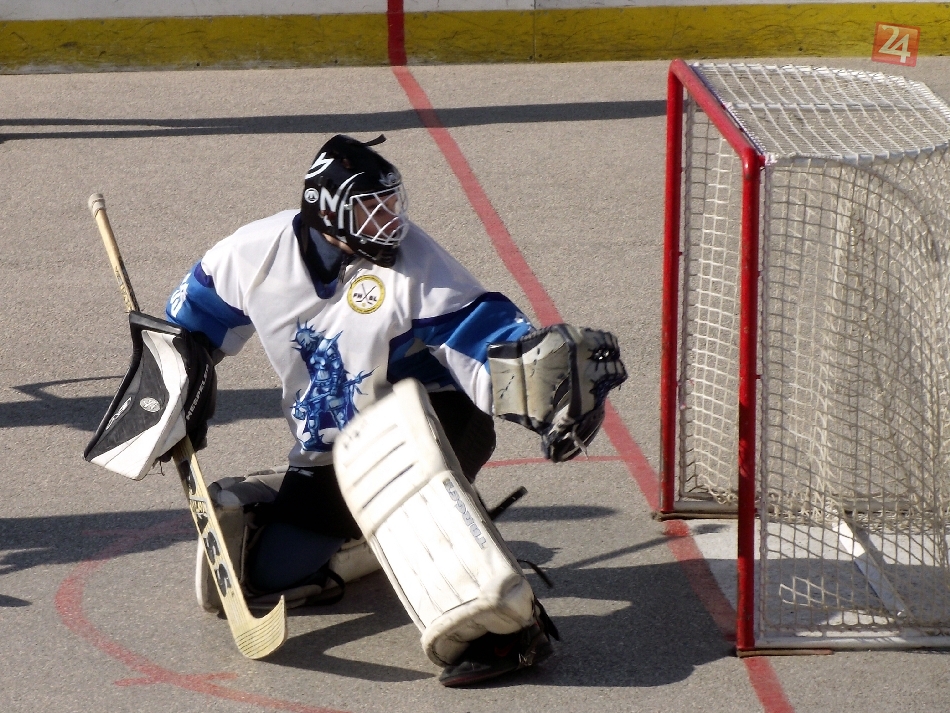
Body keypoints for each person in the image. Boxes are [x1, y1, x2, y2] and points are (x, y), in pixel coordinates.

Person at [156, 134, 625, 685]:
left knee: (413, 496)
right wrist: (178, 383)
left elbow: (482, 334)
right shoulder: (249, 254)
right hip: (338, 441)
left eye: (391, 204)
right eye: (371, 209)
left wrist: (546, 385)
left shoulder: (417, 267)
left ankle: (508, 628)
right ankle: (351, 525)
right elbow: (187, 326)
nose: (390, 221)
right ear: (326, 209)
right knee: (272, 575)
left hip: (434, 422)